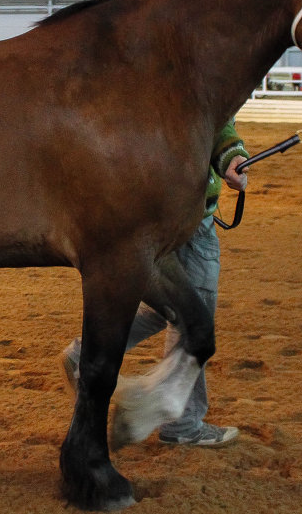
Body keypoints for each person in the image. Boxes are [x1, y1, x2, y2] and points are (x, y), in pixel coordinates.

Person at [61, 120, 249, 447]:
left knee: (173, 303)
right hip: (190, 212)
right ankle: (183, 423)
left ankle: (83, 354)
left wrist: (229, 155)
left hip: (158, 206)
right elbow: (212, 115)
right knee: (195, 312)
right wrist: (228, 156)